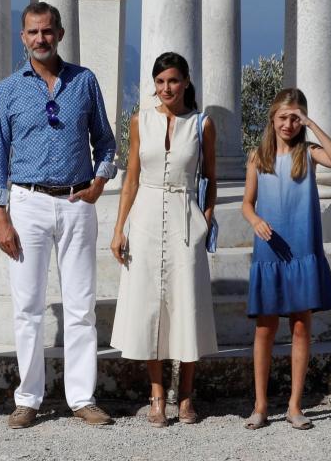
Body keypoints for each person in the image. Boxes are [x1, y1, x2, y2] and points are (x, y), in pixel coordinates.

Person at [0, 1, 117, 429]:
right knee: (27, 307)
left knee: (81, 306)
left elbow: (107, 144)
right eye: (32, 32)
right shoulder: (6, 90)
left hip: (78, 202)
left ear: (59, 34)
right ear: (22, 38)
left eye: (47, 31)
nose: (40, 39)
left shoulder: (84, 82)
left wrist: (99, 182)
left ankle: (82, 398)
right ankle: (28, 399)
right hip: (27, 204)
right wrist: (0, 217)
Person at [110, 52, 218, 427]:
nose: (166, 88)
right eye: (159, 82)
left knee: (186, 303)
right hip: (145, 215)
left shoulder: (202, 124)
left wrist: (205, 219)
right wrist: (119, 228)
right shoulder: (140, 121)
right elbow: (131, 179)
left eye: (172, 81)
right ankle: (156, 394)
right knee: (150, 306)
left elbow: (211, 178)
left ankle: (186, 396)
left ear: (186, 81)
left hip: (186, 217)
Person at [241, 87, 331, 431]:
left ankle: (295, 405)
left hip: (302, 249)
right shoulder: (258, 157)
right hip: (270, 251)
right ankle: (259, 405)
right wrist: (255, 221)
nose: (289, 124)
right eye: (284, 117)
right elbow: (247, 203)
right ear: (272, 118)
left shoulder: (309, 153)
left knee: (301, 327)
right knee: (264, 329)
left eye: (295, 118)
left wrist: (312, 124)